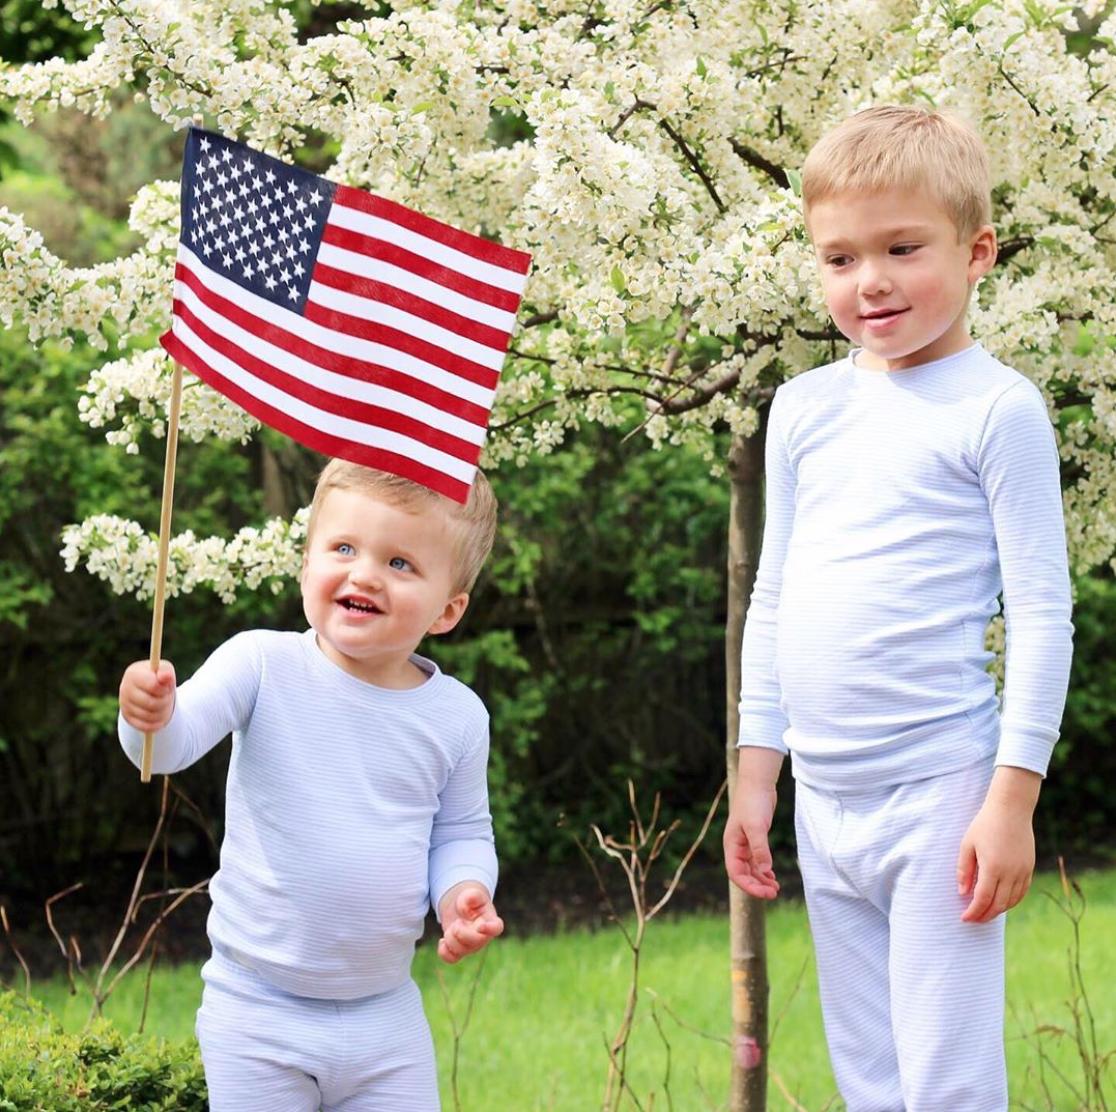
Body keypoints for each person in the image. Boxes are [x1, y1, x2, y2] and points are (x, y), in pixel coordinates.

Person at [723, 105, 1073, 1112]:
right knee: (869, 1074)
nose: (869, 280)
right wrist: (758, 774)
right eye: (839, 256)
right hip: (827, 800)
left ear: (977, 252)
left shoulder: (995, 408)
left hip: (943, 792)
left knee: (946, 1077)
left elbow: (1043, 614)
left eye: (901, 248)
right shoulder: (804, 408)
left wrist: (1011, 799)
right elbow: (776, 594)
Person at [118, 459, 504, 1112]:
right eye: (344, 548)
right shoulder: (261, 664)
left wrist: (464, 891)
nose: (364, 574)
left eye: (400, 564)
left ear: (448, 610)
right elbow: (171, 746)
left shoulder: (456, 716)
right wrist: (148, 716)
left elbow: (462, 831)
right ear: (306, 564)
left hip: (385, 1016)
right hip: (257, 1010)